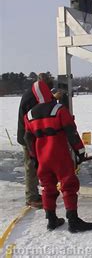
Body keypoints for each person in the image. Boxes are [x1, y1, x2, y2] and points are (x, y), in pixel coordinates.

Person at [23, 79, 92, 232]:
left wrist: (34, 158)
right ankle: (73, 221)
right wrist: (80, 152)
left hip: (42, 157)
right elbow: (72, 132)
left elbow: (28, 139)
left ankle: (51, 220)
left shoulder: (28, 115)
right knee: (68, 185)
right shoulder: (59, 109)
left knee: (47, 187)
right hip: (60, 155)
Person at [17, 73, 53, 208]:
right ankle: (31, 197)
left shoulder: (32, 94)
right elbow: (38, 114)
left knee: (35, 165)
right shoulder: (32, 98)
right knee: (31, 166)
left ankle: (34, 194)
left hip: (31, 135)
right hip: (28, 137)